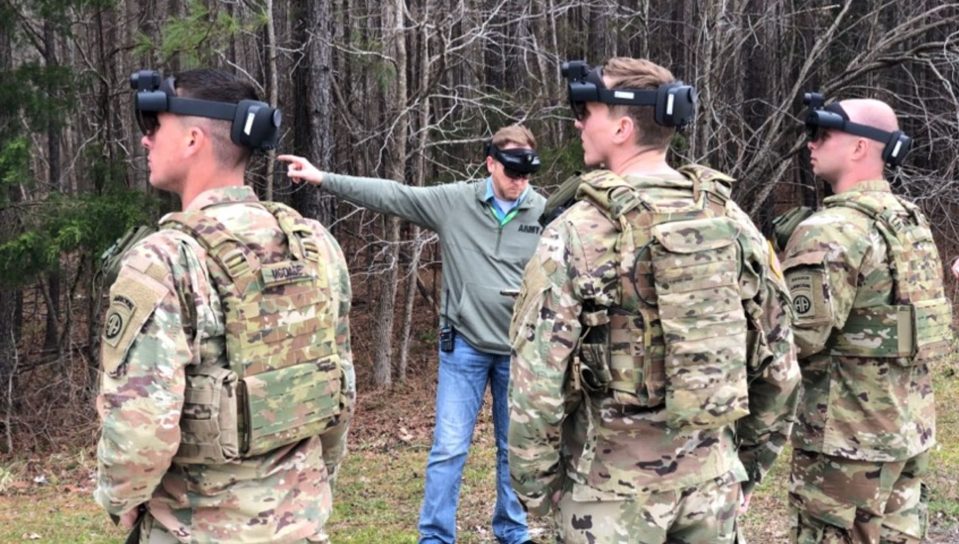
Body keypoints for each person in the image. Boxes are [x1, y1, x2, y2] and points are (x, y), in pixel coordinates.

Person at [507, 57, 801, 544]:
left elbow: (535, 380)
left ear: (621, 127)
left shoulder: (576, 232)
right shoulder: (732, 221)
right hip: (711, 484)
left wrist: (539, 490)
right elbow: (780, 361)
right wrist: (743, 464)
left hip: (609, 493)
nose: (578, 121)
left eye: (587, 109)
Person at [94, 68, 354, 544]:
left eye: (154, 126)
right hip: (301, 525)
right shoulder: (314, 245)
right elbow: (340, 389)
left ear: (193, 139)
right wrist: (310, 486)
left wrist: (121, 499)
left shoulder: (164, 259)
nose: (145, 140)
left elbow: (140, 432)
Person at [278, 125, 545, 544]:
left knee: (513, 449)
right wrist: (322, 177)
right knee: (449, 448)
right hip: (465, 348)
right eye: (512, 171)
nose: (520, 182)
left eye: (528, 173)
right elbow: (393, 195)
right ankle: (436, 537)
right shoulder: (455, 202)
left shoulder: (544, 213)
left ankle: (512, 529)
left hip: (519, 352)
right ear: (491, 163)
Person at [780, 94, 954, 543]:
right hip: (905, 432)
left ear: (859, 147)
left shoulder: (831, 229)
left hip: (846, 443)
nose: (810, 144)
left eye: (822, 133)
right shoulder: (908, 221)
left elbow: (794, 339)